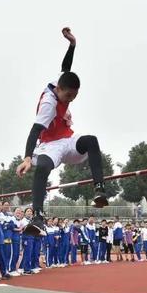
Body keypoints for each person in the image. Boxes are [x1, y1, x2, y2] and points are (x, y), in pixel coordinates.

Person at [16, 27, 108, 236]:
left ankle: (100, 190)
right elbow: (34, 130)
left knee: (91, 140)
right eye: (68, 96)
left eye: (74, 97)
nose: (70, 100)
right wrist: (28, 158)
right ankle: (38, 218)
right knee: (43, 167)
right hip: (50, 146)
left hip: (68, 139)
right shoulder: (48, 104)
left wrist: (72, 45)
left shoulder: (60, 82)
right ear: (58, 90)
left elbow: (66, 68)